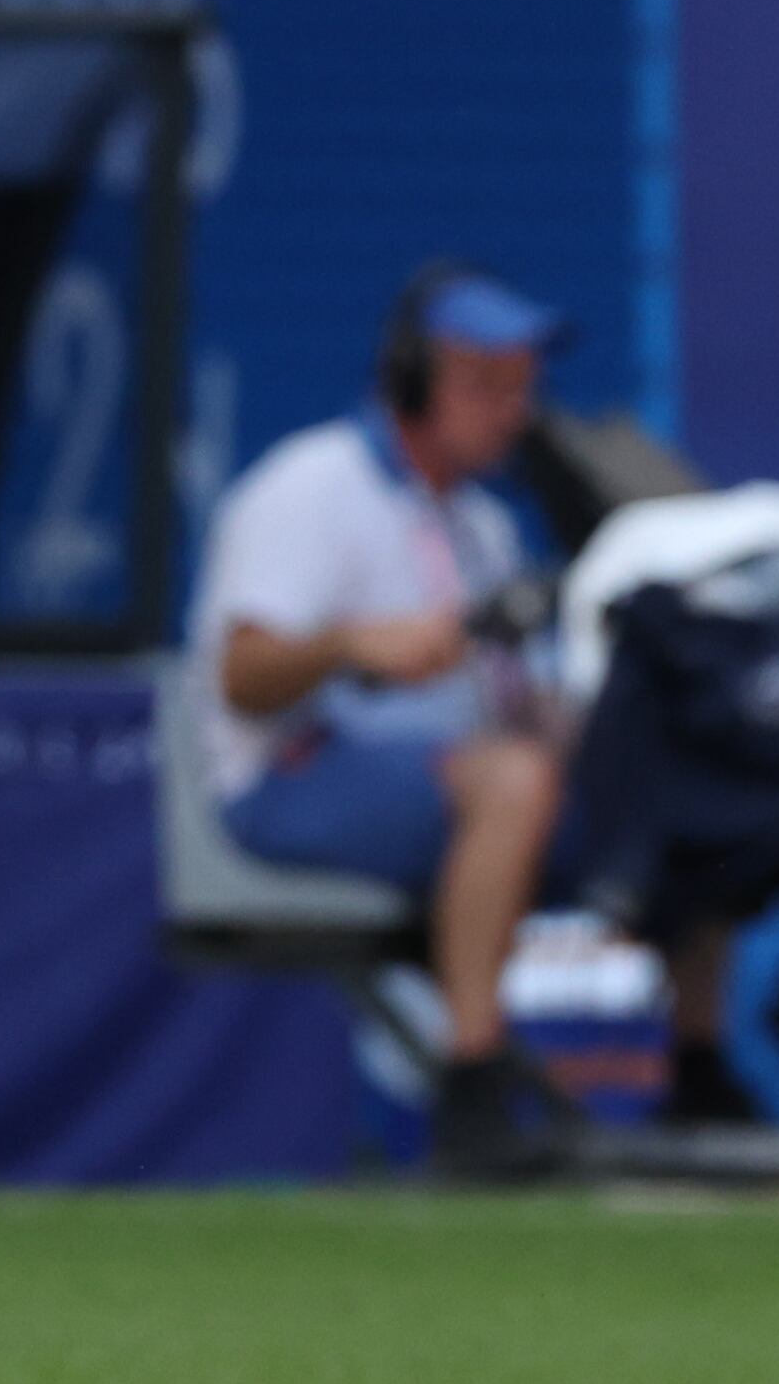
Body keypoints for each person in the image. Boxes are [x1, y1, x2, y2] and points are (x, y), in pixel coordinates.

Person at [189, 264, 715, 1178]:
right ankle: (471, 1082)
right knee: (511, 780)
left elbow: (518, 707)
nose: (511, 411)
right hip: (293, 779)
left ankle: (701, 1068)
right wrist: (352, 643)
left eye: (520, 387)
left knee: (693, 771)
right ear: (410, 383)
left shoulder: (484, 527)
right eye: (483, 385)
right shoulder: (311, 486)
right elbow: (241, 677)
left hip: (462, 787)